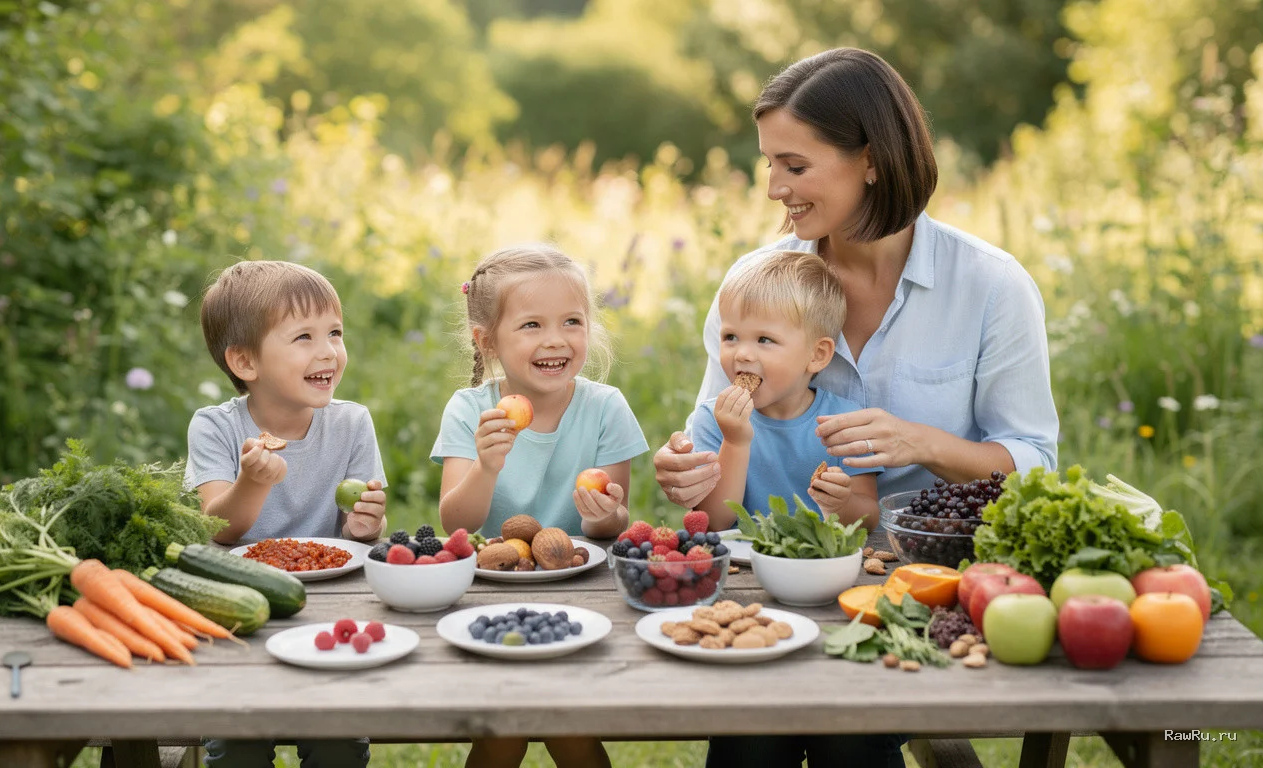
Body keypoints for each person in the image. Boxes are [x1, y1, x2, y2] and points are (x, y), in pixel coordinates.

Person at [653, 48, 1060, 768]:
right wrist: (691, 467)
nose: (775, 187)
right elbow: (719, 434)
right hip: (774, 577)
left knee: (849, 731)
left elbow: (1032, 461)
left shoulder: (991, 288)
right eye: (769, 163)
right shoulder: (759, 284)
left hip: (919, 581)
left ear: (870, 160)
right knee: (753, 740)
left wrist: (921, 444)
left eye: (795, 165)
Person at [431, 243, 648, 768]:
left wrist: (606, 515)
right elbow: (457, 523)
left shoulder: (604, 408)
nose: (556, 340)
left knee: (567, 727)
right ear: (487, 342)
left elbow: (612, 526)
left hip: (581, 588)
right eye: (531, 325)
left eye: (572, 321)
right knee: (502, 731)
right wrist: (486, 466)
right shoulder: (472, 410)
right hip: (492, 588)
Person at [186, 260, 384, 768]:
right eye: (304, 337)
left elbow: (355, 537)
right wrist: (252, 482)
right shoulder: (215, 428)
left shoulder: (351, 423)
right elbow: (220, 527)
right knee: (239, 745)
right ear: (245, 362)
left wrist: (364, 526)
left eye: (335, 332)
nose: (329, 351)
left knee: (339, 743)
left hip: (331, 605)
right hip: (241, 611)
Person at [690, 249, 881, 531]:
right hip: (739, 570)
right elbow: (712, 523)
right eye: (730, 336)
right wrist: (735, 442)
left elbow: (869, 519)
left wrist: (842, 504)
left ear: (817, 355)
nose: (742, 353)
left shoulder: (846, 423)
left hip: (819, 567)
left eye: (764, 339)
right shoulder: (713, 420)